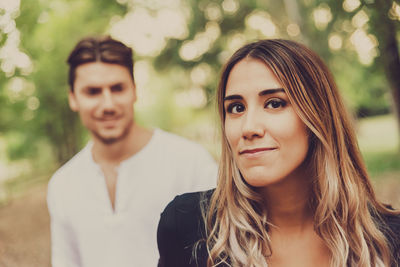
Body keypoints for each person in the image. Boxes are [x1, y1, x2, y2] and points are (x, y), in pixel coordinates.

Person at [157, 39, 400, 267]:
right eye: (236, 108)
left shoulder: (389, 238)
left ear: (318, 117)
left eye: (274, 103)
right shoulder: (187, 224)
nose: (249, 127)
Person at [47, 35, 217, 267]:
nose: (108, 105)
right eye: (93, 92)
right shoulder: (61, 185)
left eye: (117, 88)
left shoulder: (191, 163)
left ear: (135, 91)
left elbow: (219, 254)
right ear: (73, 99)